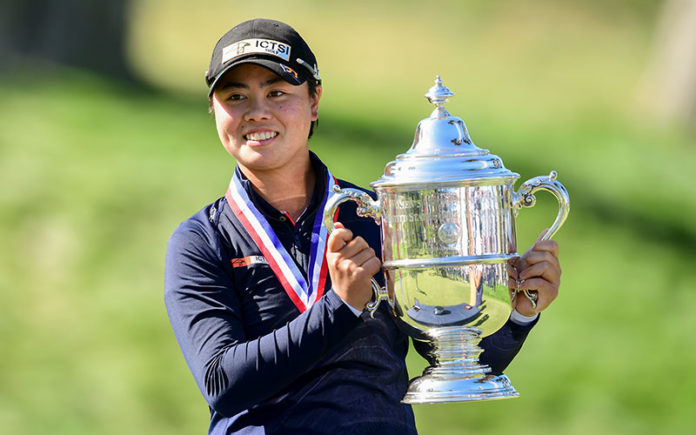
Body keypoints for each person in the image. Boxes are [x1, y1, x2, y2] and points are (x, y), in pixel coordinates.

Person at [164, 18, 562, 435]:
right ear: (214, 109)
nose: (257, 111)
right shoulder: (201, 241)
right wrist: (341, 307)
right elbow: (222, 382)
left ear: (314, 100)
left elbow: (452, 355)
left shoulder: (379, 216)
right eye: (235, 96)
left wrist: (518, 313)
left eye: (277, 92)